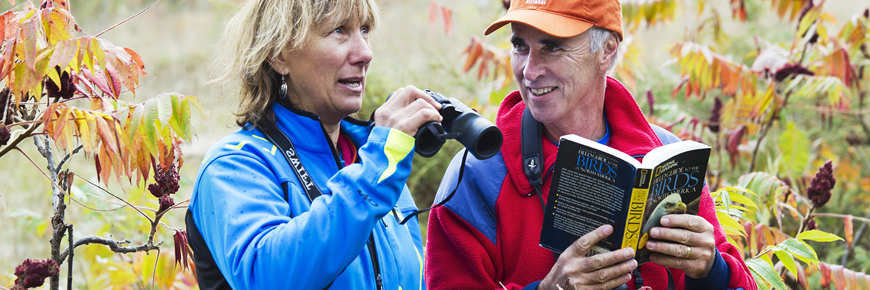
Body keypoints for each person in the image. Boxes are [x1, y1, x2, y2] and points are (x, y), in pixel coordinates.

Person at [423, 0, 757, 289]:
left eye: (551, 46)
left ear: (607, 50)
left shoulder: (666, 157)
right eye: (520, 46)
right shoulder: (477, 174)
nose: (530, 70)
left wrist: (711, 269)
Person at [185, 0, 442, 289]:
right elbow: (268, 278)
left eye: (365, 30)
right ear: (278, 54)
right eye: (339, 31)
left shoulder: (369, 156)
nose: (364, 53)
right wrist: (376, 172)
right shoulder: (235, 166)